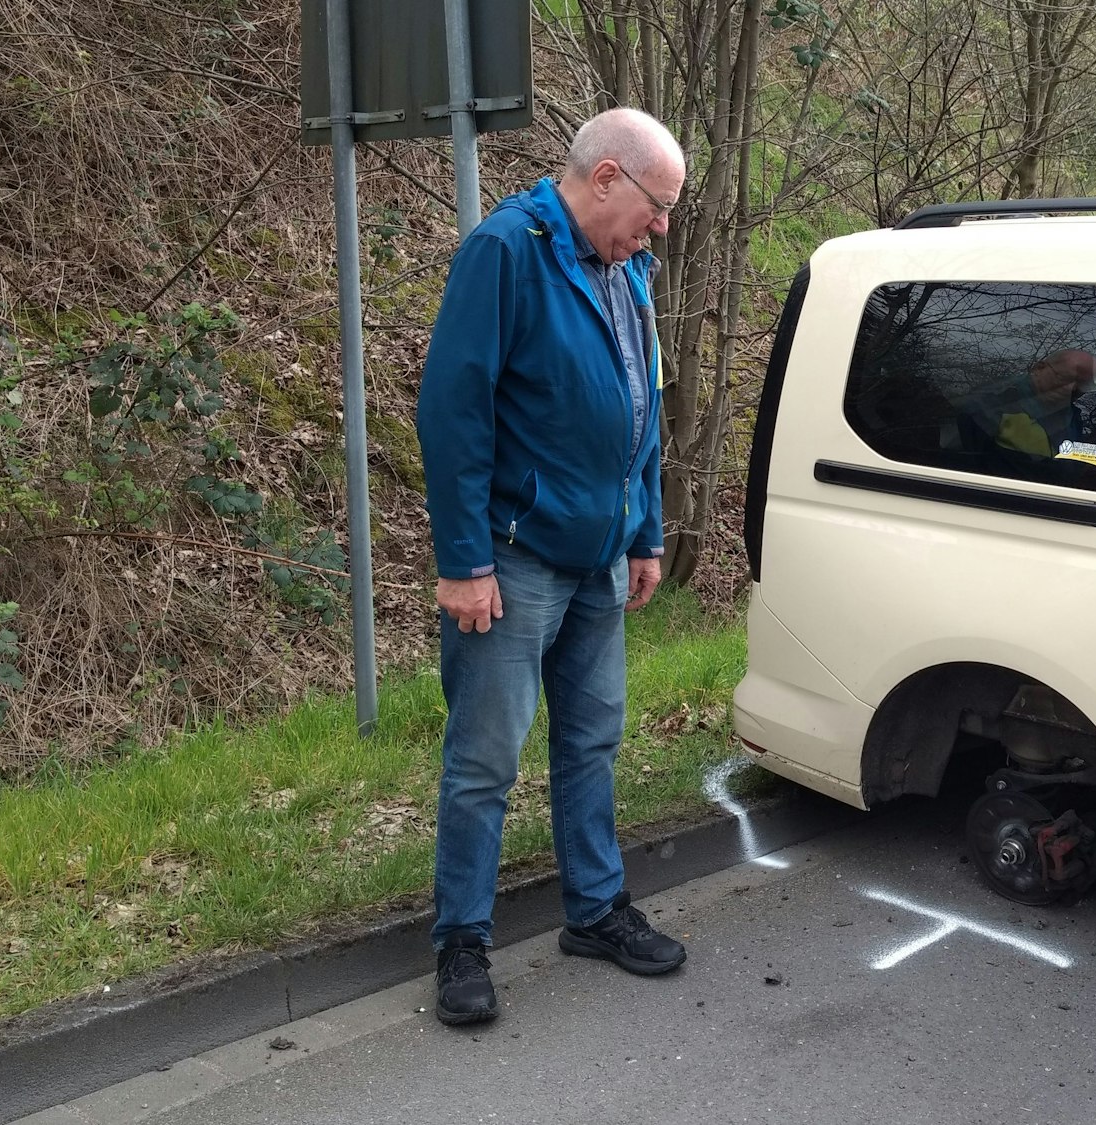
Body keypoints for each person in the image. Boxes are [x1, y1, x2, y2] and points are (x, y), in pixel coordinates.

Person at [415, 107, 688, 1026]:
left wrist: (644, 531)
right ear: (605, 178)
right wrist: (464, 560)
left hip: (601, 559)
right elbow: (453, 412)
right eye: (655, 207)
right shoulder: (506, 253)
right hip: (514, 558)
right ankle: (461, 940)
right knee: (485, 760)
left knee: (591, 742)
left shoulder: (627, 268)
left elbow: (643, 406)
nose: (660, 229)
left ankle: (596, 909)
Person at [950, 348, 1096, 475]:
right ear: (1038, 368)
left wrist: (1095, 461)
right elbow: (957, 465)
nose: (1071, 389)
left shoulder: (1074, 416)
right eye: (1065, 379)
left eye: (1083, 385)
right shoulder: (992, 405)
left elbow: (1069, 455)